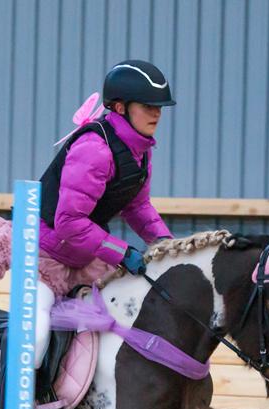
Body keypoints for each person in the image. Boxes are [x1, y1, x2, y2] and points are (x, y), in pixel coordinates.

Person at [39, 59, 176, 278]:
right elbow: (69, 221)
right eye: (147, 106)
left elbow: (137, 207)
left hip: (80, 254)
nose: (156, 114)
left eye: (159, 107)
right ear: (120, 107)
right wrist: (122, 253)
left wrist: (167, 244)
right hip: (42, 253)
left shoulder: (140, 152)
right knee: (42, 309)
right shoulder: (94, 150)